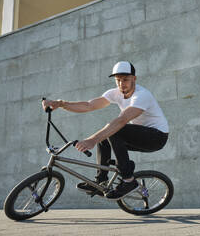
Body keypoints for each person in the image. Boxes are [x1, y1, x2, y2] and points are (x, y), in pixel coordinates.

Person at [42, 61, 169, 200]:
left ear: (134, 78)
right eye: (118, 80)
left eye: (125, 79)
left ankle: (128, 181)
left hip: (157, 137)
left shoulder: (142, 95)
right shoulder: (115, 93)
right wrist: (60, 104)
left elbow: (122, 120)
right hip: (140, 135)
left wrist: (92, 140)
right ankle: (101, 180)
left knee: (115, 130)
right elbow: (88, 105)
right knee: (106, 137)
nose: (121, 84)